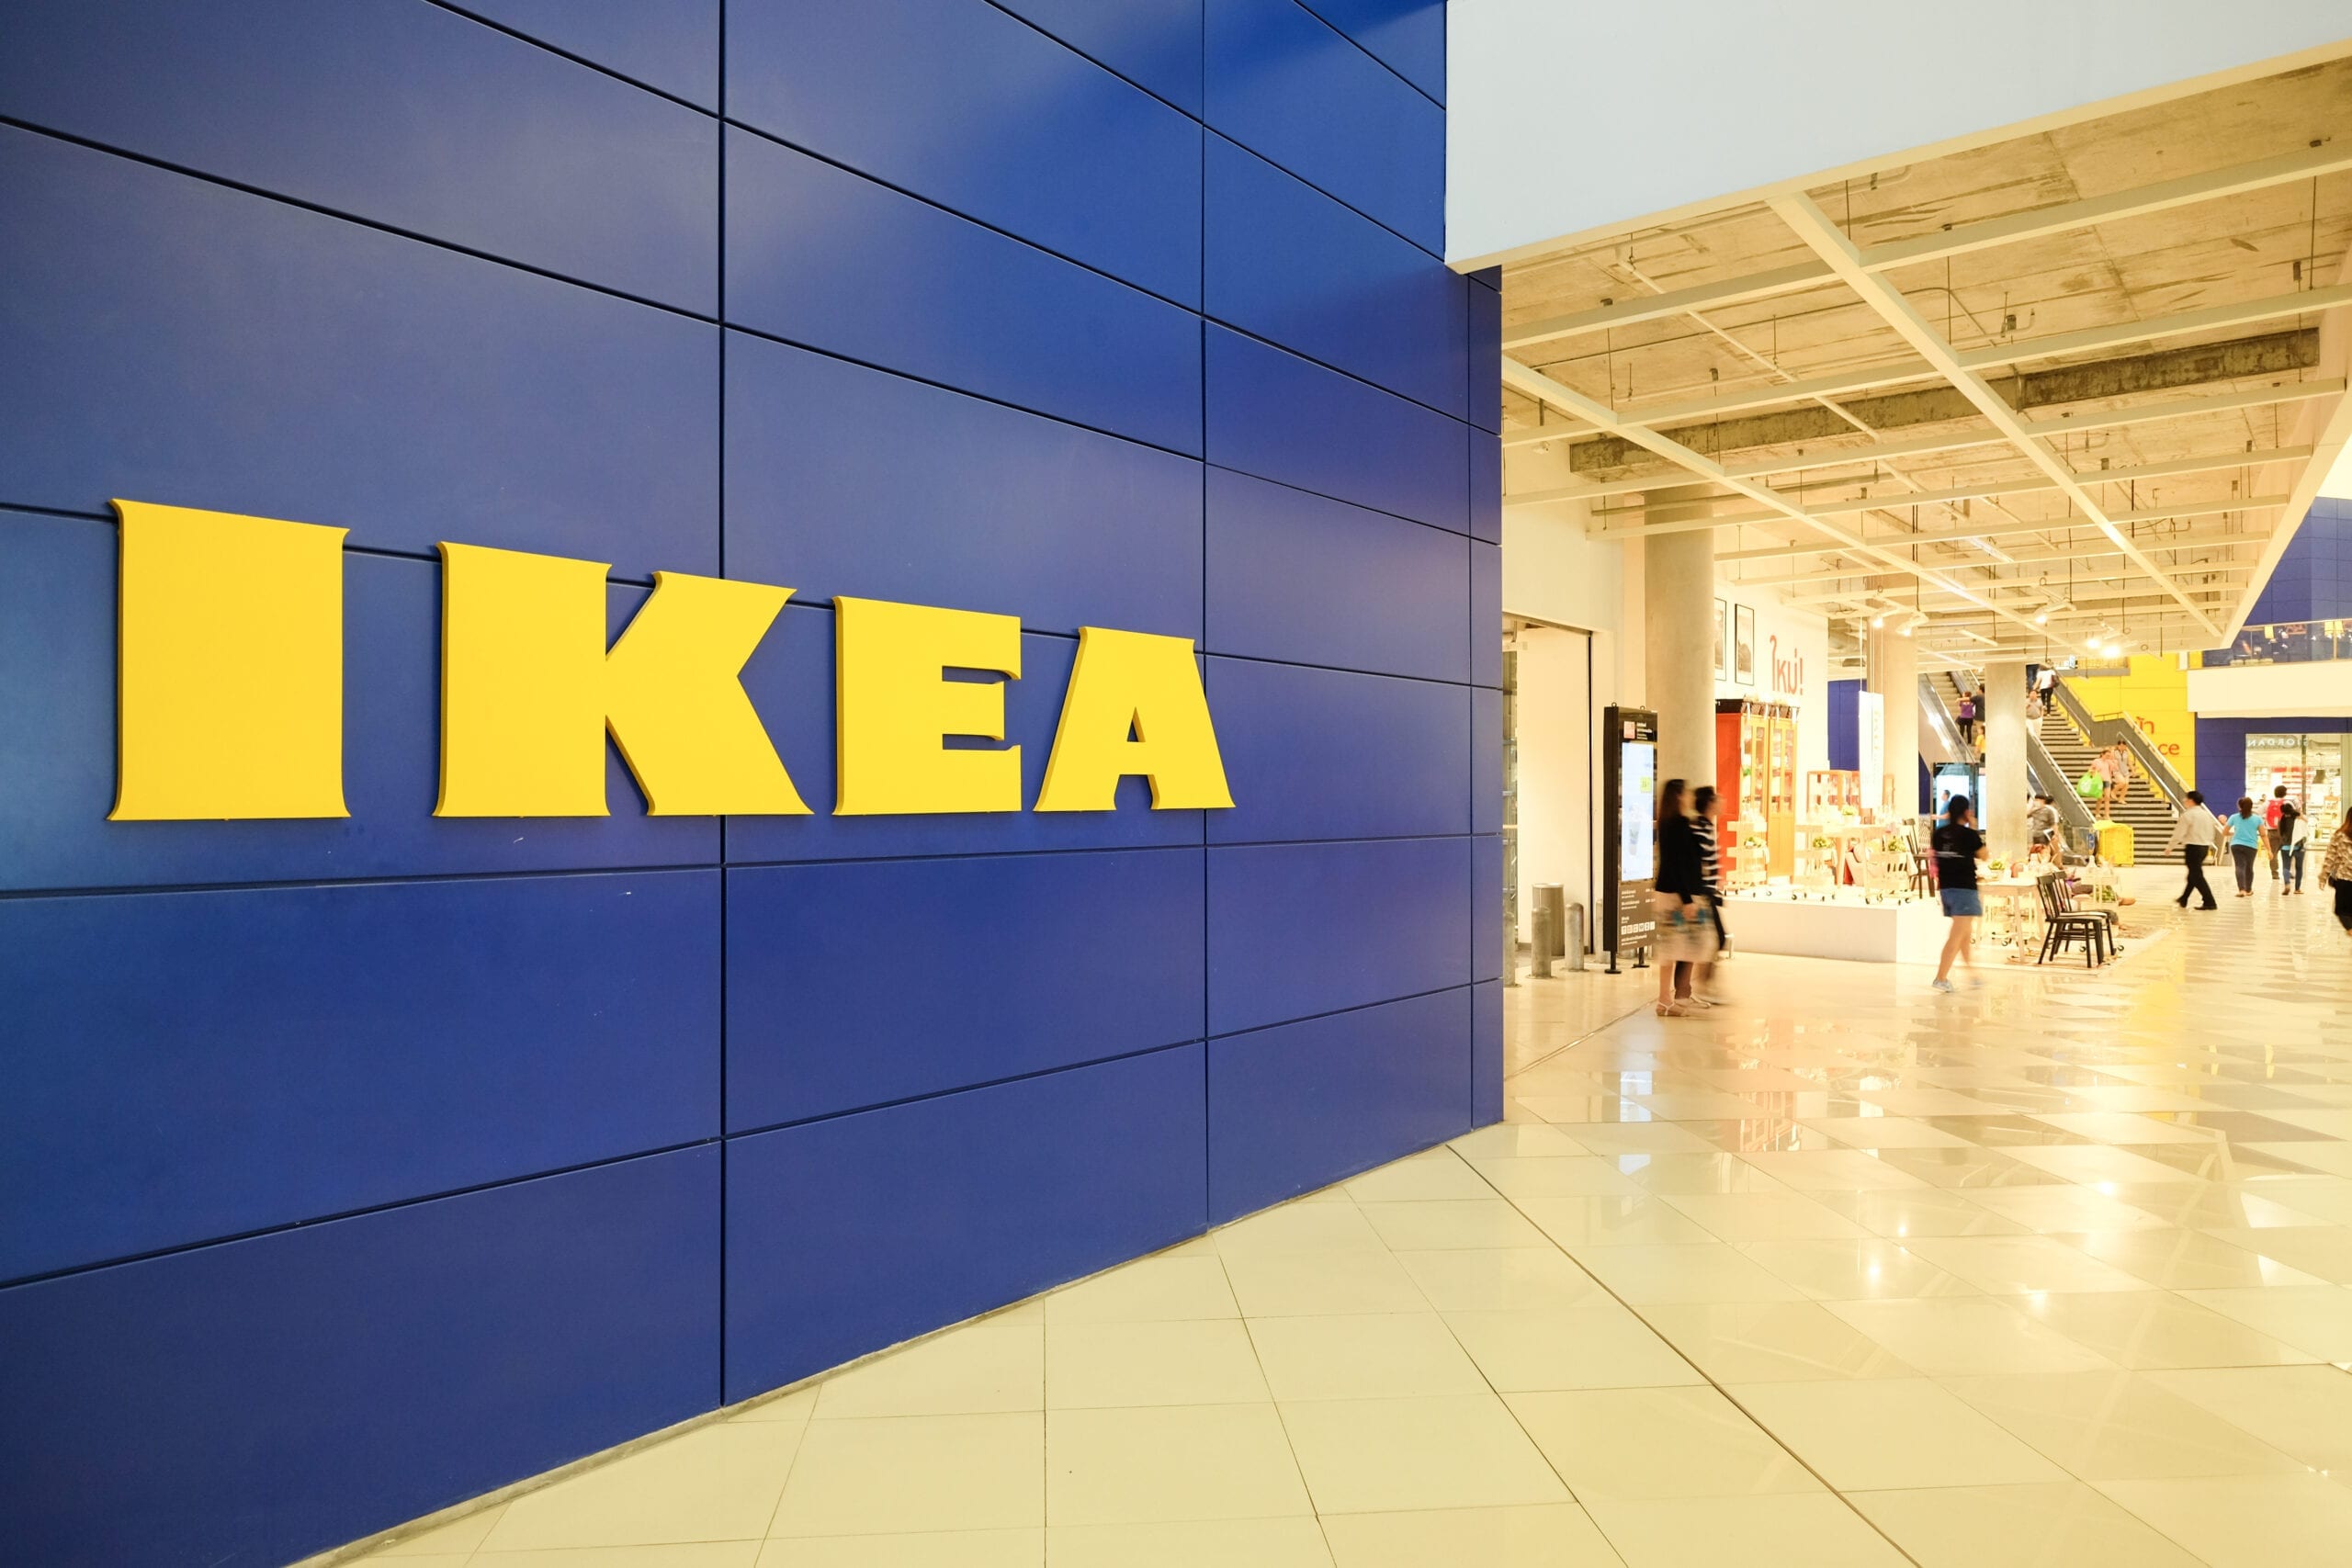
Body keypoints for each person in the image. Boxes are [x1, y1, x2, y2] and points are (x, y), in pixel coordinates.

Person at [1652, 778, 1707, 1017]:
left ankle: (1665, 998)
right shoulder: (1681, 824)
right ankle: (1678, 998)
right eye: (1686, 793)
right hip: (1677, 895)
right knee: (1692, 946)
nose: (1689, 797)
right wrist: (1687, 900)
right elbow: (1681, 865)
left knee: (1669, 948)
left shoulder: (1665, 823)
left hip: (1664, 892)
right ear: (1678, 796)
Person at [1930, 796, 1985, 992]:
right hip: (1964, 889)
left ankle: (1972, 973)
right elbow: (1984, 855)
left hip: (1946, 889)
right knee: (1956, 936)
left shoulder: (1939, 834)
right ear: (1966, 813)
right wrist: (1974, 828)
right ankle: (1941, 978)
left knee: (1964, 933)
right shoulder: (1969, 835)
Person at [1691, 784, 1728, 1001]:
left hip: (1707, 892)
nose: (1721, 802)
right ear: (1709, 803)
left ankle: (1704, 986)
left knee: (1714, 939)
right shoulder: (1701, 828)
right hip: (1702, 894)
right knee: (1714, 939)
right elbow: (1698, 862)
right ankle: (1702, 987)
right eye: (1717, 799)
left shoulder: (1707, 827)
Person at [2165, 790, 2222, 909]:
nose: (2184, 801)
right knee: (2193, 874)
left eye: (2186, 799)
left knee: (2197, 876)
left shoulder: (2188, 815)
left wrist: (2170, 847)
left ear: (2191, 801)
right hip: (2204, 847)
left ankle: (2210, 902)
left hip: (2193, 848)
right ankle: (2184, 898)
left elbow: (2179, 833)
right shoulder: (2206, 815)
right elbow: (2212, 832)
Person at [2222, 795, 2265, 897]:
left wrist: (2233, 834)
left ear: (2239, 806)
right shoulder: (2258, 819)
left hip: (2236, 844)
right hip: (2251, 846)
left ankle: (2241, 890)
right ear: (2251, 806)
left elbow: (2224, 832)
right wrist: (2269, 849)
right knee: (2249, 868)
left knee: (2239, 866)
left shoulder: (2234, 817)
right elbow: (2263, 834)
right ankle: (2248, 890)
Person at [2324, 807, 2352, 933]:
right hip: (2344, 877)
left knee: (2342, 911)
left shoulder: (2340, 834)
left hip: (2344, 879)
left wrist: (2324, 875)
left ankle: (2350, 929)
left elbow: (2331, 857)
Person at [2278, 799, 2311, 895]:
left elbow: (2280, 834)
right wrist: (2300, 814)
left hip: (2285, 847)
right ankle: (2297, 889)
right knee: (2299, 868)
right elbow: (2306, 825)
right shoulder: (2298, 819)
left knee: (2286, 867)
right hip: (2299, 847)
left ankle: (2287, 884)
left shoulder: (2281, 820)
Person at [2263, 784, 2289, 880]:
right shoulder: (2287, 803)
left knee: (2273, 853)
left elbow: (2257, 812)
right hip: (2285, 832)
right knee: (2287, 852)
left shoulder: (2268, 803)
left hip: (2272, 832)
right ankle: (2287, 872)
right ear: (2285, 793)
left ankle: (2275, 874)